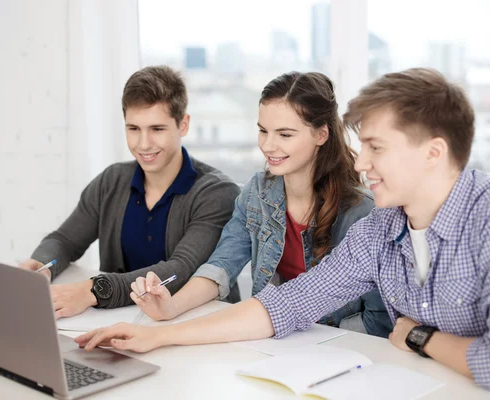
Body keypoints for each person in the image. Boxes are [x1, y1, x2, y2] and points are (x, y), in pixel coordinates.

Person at [75, 68, 490, 395]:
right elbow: (285, 304)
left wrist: (417, 336)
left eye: (375, 147)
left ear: (433, 152)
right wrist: (161, 338)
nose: (362, 162)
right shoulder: (382, 228)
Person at [128, 71, 392, 336]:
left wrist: (307, 341)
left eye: (285, 135)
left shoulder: (363, 212)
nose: (268, 145)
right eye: (263, 131)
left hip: (337, 350)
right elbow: (222, 265)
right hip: (272, 337)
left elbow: (379, 321)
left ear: (321, 134)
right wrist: (171, 307)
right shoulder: (257, 191)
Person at [19, 66, 240, 318]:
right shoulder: (112, 181)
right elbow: (65, 241)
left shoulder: (216, 193)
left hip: (193, 327)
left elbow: (180, 269)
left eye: (157, 129)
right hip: (120, 318)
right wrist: (42, 265)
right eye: (133, 129)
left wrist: (93, 291)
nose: (143, 144)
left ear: (183, 125)